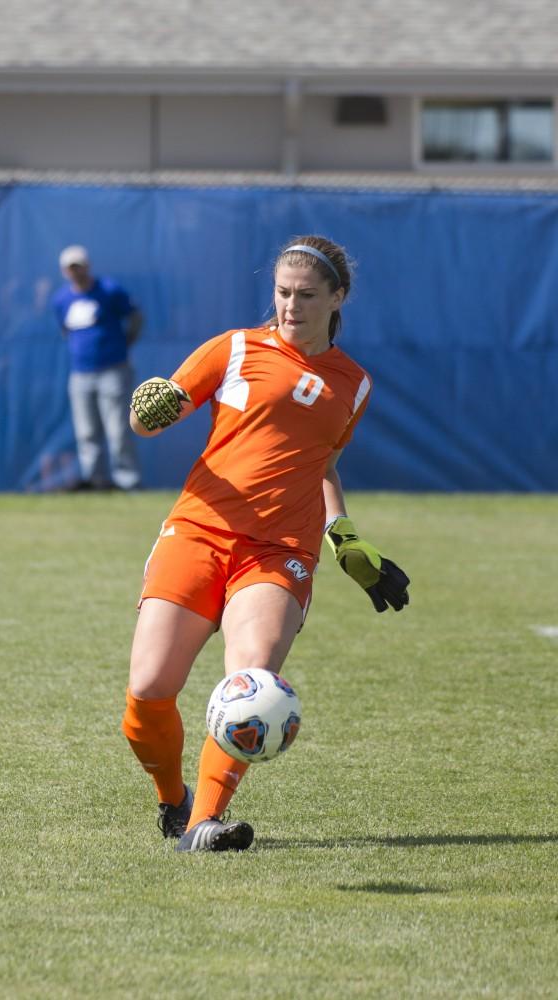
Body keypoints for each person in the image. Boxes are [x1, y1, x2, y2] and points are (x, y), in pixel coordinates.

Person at [121, 235, 410, 853]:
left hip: (280, 550)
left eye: (307, 295)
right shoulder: (233, 349)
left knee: (252, 687)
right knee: (148, 689)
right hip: (197, 529)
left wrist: (346, 537)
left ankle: (205, 822)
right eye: (282, 292)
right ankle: (174, 801)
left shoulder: (354, 384)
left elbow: (321, 467)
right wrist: (149, 412)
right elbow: (149, 420)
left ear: (337, 298)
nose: (290, 306)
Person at [52, 245, 143, 490]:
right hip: (81, 373)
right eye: (71, 268)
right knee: (87, 432)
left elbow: (135, 317)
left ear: (87, 267)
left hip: (112, 370)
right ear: (64, 271)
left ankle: (127, 481)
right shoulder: (61, 299)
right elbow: (65, 330)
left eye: (79, 267)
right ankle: (95, 481)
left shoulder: (109, 291)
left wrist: (125, 344)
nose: (76, 272)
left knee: (117, 429)